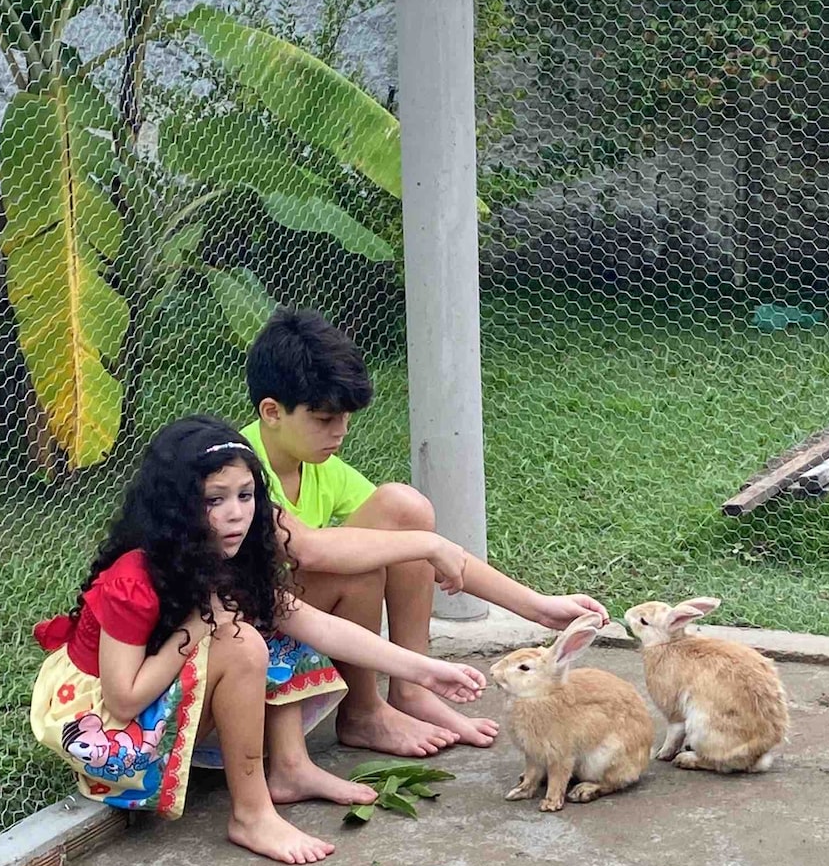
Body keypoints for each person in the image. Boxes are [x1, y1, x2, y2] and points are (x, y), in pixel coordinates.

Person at [30, 418, 486, 866]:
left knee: (269, 619)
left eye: (246, 496)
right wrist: (198, 625)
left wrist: (426, 670)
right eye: (216, 499)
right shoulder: (134, 578)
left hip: (160, 696)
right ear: (176, 508)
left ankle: (290, 767)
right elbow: (124, 699)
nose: (237, 513)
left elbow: (320, 627)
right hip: (107, 731)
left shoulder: (230, 558)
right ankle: (251, 814)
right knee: (242, 640)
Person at [239, 308, 607, 756]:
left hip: (292, 623)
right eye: (324, 419)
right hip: (248, 645)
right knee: (362, 564)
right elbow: (307, 550)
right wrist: (429, 544)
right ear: (272, 412)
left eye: (346, 419)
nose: (340, 432)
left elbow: (409, 530)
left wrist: (539, 608)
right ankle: (365, 711)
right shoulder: (239, 469)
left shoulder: (318, 466)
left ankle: (409, 691)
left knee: (403, 508)